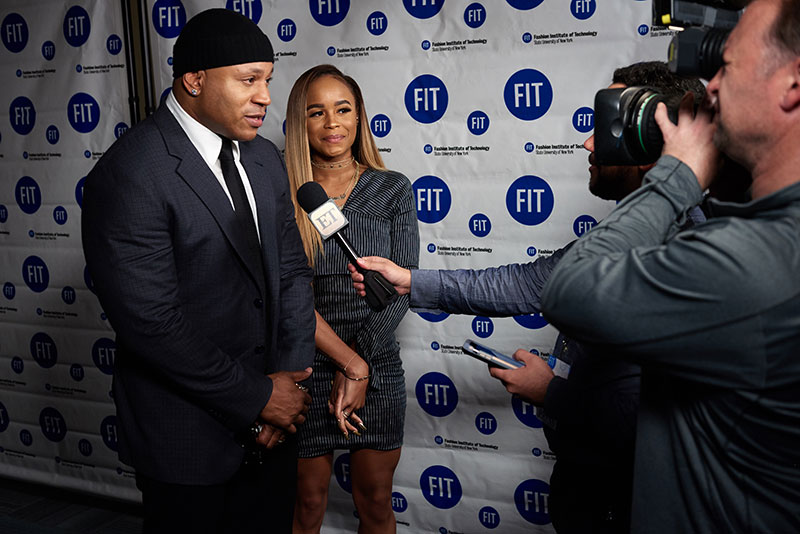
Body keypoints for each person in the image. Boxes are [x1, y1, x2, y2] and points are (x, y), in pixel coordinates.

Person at [352, 62, 704, 533]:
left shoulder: (686, 253)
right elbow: (527, 283)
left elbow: (664, 423)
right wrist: (408, 281)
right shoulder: (630, 236)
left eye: (605, 128)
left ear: (653, 138)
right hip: (591, 485)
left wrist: (551, 393)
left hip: (631, 498)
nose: (587, 143)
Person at [540, 0, 800, 531]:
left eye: (726, 65)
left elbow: (568, 289)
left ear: (792, 82)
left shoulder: (758, 261)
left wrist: (678, 173)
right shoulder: (758, 236)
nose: (709, 90)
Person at [81, 9, 315, 533]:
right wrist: (259, 399)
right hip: (188, 444)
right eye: (249, 80)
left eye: (268, 81)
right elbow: (153, 325)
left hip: (279, 425)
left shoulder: (263, 159)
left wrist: (289, 385)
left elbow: (294, 274)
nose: (266, 97)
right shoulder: (130, 175)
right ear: (195, 80)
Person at [284, 65, 420, 534]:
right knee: (305, 502)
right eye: (316, 112)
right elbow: (288, 296)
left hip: (376, 359)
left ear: (360, 116)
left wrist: (359, 362)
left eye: (343, 109)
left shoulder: (392, 188)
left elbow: (403, 290)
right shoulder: (283, 193)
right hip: (303, 365)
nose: (332, 123)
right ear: (298, 124)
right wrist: (343, 364)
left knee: (376, 501)